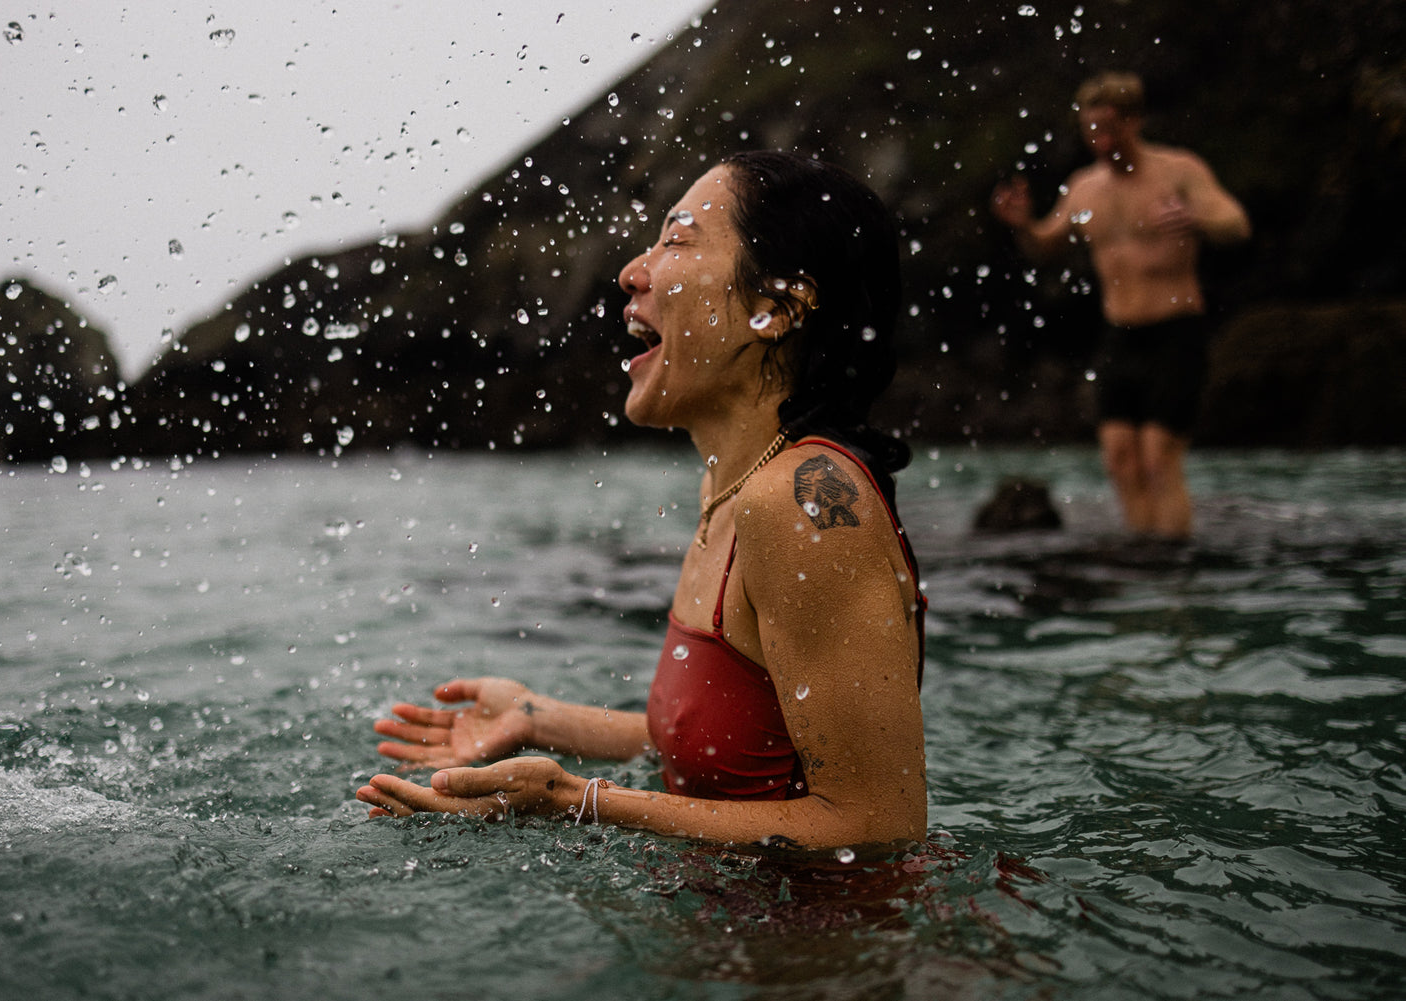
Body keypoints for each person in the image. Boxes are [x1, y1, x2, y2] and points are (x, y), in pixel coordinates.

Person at [357, 151, 927, 850]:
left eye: (677, 241)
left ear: (774, 308)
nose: (633, 270)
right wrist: (539, 718)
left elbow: (876, 824)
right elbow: (737, 746)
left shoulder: (799, 505)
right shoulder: (734, 488)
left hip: (846, 957)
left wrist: (575, 799)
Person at [991, 72, 1251, 540]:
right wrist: (1023, 225)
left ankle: (1170, 556)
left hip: (1177, 329)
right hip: (1120, 335)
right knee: (1120, 458)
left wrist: (1197, 218)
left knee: (1157, 456)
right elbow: (1048, 246)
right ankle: (1141, 550)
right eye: (1092, 130)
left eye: (1111, 128)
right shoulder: (1084, 187)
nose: (1102, 140)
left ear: (1136, 121)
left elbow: (1236, 224)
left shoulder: (1178, 170)